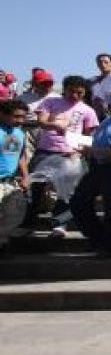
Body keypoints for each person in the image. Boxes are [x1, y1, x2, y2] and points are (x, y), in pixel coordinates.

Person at [29, 75, 99, 237]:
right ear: (64, 90)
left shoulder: (88, 110)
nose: (75, 96)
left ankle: (60, 224)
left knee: (66, 192)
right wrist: (53, 124)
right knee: (35, 188)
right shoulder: (50, 102)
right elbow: (41, 121)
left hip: (70, 155)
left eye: (79, 93)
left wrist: (78, 151)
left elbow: (88, 136)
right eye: (71, 92)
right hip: (45, 151)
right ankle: (29, 222)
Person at [70, 89, 111, 258]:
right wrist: (89, 151)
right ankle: (99, 238)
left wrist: (96, 151)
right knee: (78, 201)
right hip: (99, 167)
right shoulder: (107, 121)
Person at [0, 100, 29, 255]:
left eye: (23, 117)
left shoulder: (19, 133)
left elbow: (21, 157)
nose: (20, 121)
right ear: (2, 114)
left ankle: (2, 243)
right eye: (16, 116)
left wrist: (25, 176)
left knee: (14, 214)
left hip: (11, 181)